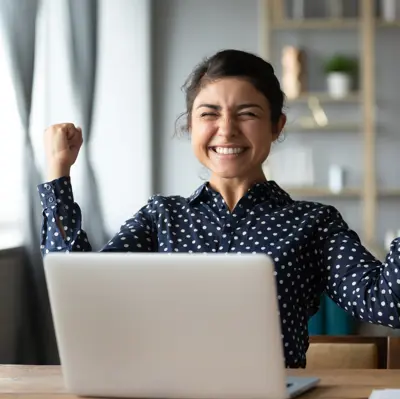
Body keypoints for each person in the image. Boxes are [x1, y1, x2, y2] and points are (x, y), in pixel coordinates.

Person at [38, 49, 400, 368]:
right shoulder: (161, 217)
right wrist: (58, 171)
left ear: (277, 126)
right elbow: (84, 293)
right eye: (209, 114)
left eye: (247, 114)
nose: (226, 130)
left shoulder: (314, 223)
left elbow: (387, 304)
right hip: (165, 393)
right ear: (190, 126)